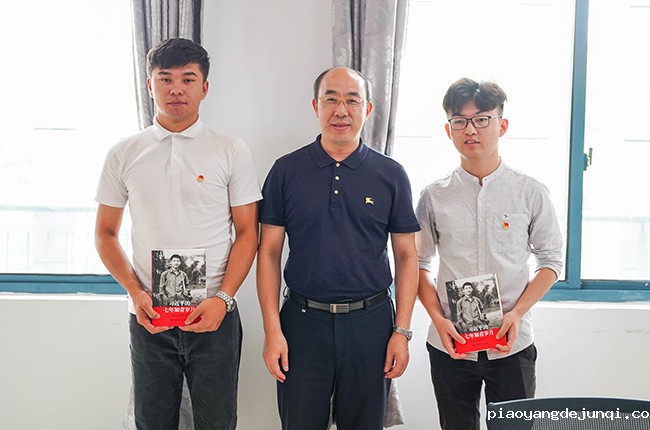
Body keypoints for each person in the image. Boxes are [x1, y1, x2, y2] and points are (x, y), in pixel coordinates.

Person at [94, 38, 261, 430]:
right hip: (150, 317)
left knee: (217, 423)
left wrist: (223, 298)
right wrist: (136, 294)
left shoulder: (230, 149)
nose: (176, 89)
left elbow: (247, 233)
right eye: (165, 79)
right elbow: (105, 233)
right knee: (152, 422)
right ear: (149, 85)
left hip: (215, 317)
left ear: (205, 87)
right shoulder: (124, 153)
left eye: (188, 79)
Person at [256, 66, 420, 430]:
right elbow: (268, 252)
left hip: (371, 325)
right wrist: (272, 331)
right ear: (316, 106)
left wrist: (402, 331)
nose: (341, 111)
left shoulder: (391, 174)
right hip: (302, 323)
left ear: (368, 109)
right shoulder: (286, 171)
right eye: (331, 99)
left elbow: (407, 256)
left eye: (352, 101)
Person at [415, 78, 563, 430]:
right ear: (448, 130)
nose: (471, 129)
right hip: (451, 345)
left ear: (502, 125)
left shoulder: (530, 192)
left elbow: (551, 261)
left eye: (482, 119)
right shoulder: (433, 196)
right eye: (460, 121)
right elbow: (418, 264)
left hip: (512, 344)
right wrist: (439, 320)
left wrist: (517, 314)